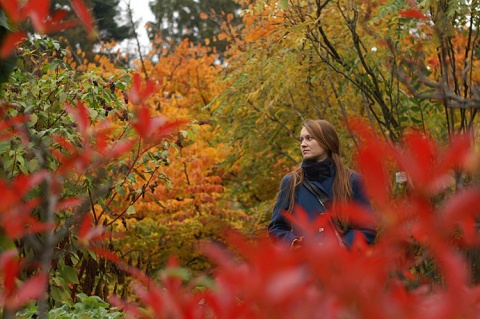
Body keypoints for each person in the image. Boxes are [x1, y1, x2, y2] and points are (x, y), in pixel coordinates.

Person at [268, 119, 377, 249]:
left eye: (309, 138)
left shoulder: (353, 181)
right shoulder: (291, 182)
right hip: (306, 265)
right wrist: (296, 244)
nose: (303, 144)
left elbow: (366, 228)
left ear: (327, 142)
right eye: (301, 139)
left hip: (344, 265)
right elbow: (277, 227)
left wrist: (341, 246)